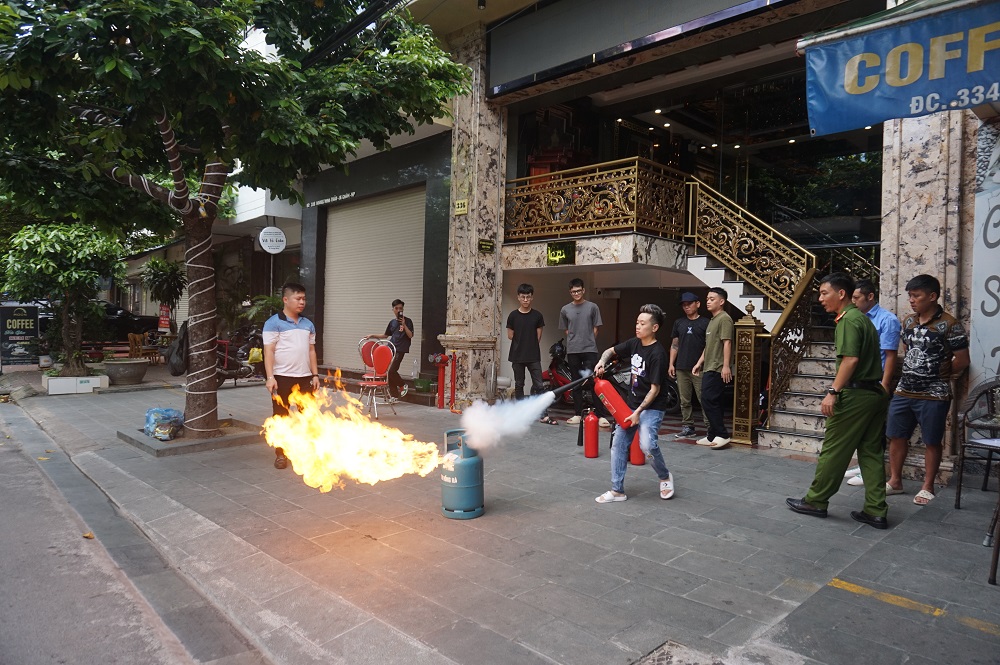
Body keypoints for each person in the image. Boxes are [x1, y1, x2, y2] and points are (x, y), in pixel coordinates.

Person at [785, 272, 890, 528]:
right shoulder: (862, 318)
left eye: (824, 293)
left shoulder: (848, 320)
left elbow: (850, 360)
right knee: (871, 453)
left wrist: (833, 391)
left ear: (841, 294)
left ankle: (816, 500)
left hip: (855, 396)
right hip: (873, 393)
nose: (820, 299)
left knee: (834, 450)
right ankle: (876, 509)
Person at [885, 274, 969, 506]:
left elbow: (962, 360)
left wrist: (939, 374)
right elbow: (908, 350)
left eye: (916, 296)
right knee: (896, 435)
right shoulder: (908, 322)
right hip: (904, 390)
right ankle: (895, 481)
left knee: (932, 440)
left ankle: (927, 486)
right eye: (910, 296)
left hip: (934, 393)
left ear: (932, 296)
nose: (912, 300)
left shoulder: (950, 325)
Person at [593, 304, 675, 503]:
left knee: (647, 445)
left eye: (642, 323)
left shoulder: (658, 354)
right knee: (618, 444)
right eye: (637, 322)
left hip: (652, 407)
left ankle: (664, 477)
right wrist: (601, 362)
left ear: (654, 328)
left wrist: (638, 412)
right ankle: (617, 491)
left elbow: (655, 390)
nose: (638, 326)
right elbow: (610, 351)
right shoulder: (634, 343)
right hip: (631, 403)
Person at [845, 279, 901, 486]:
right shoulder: (856, 317)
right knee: (864, 429)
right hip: (860, 381)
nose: (853, 301)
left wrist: (885, 384)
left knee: (876, 430)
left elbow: (890, 355)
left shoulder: (887, 320)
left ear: (870, 296)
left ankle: (871, 471)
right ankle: (863, 466)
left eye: (857, 298)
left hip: (876, 381)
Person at [263, 282, 320, 470]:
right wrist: (270, 377)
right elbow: (269, 351)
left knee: (308, 416)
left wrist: (315, 374)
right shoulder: (273, 323)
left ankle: (307, 452)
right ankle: (281, 454)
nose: (302, 302)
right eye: (298, 298)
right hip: (282, 378)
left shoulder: (308, 324)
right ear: (286, 300)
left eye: (304, 299)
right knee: (281, 417)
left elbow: (311, 351)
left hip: (305, 378)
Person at [558, 278, 605, 426]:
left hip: (590, 350)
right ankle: (578, 414)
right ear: (570, 292)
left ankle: (600, 415)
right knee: (576, 383)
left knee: (593, 382)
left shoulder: (593, 307)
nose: (576, 293)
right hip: (573, 351)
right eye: (573, 292)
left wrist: (588, 340)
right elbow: (566, 330)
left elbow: (596, 328)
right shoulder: (565, 309)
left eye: (578, 291)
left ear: (583, 290)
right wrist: (575, 341)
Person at [506, 283, 554, 424]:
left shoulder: (537, 315)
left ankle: (543, 414)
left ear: (532, 297)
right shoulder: (513, 316)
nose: (525, 300)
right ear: (518, 297)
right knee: (519, 384)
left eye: (528, 297)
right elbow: (510, 335)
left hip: (533, 356)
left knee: (539, 385)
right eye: (523, 297)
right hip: (517, 355)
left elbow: (538, 337)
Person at [692, 287, 733, 450]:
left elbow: (727, 342)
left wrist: (726, 366)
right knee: (709, 401)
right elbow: (708, 345)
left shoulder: (724, 319)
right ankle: (712, 435)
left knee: (709, 400)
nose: (708, 301)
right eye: (707, 299)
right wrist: (699, 362)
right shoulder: (712, 320)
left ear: (721, 302)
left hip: (717, 367)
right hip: (709, 366)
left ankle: (722, 434)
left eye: (712, 299)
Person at [668, 292, 709, 439]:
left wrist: (700, 363)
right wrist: (671, 364)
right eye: (684, 305)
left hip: (699, 368)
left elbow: (709, 345)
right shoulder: (679, 323)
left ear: (697, 304)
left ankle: (710, 427)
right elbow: (675, 344)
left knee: (704, 398)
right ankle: (688, 427)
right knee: (684, 400)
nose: (686, 307)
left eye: (689, 304)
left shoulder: (706, 322)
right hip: (681, 367)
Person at [365, 299, 414, 400]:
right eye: (396, 308)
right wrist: (372, 335)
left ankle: (403, 385)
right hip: (391, 348)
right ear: (393, 309)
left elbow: (410, 335)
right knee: (389, 372)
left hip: (400, 349)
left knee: (392, 370)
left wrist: (404, 324)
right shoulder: (392, 322)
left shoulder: (408, 321)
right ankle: (394, 395)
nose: (398, 310)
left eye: (400, 308)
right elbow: (385, 335)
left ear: (403, 309)